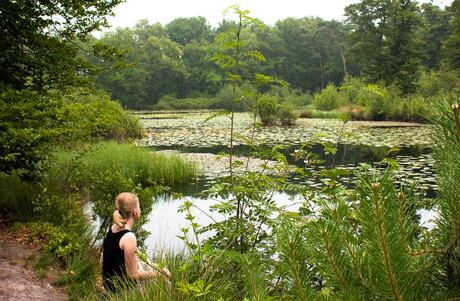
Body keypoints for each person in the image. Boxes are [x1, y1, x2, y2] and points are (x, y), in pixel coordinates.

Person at [102, 192, 170, 292]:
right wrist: (159, 273)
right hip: (121, 290)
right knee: (165, 283)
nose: (140, 209)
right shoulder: (128, 237)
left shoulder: (113, 227)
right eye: (139, 207)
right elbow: (132, 275)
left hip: (109, 284)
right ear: (135, 212)